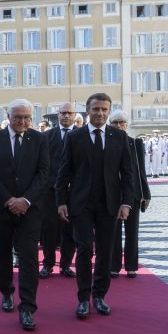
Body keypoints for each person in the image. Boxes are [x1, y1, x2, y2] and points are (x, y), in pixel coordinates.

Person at [56, 93, 135, 318]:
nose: (99, 113)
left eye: (104, 109)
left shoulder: (119, 137)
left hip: (109, 204)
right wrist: (61, 201)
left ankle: (99, 295)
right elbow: (64, 172)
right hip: (80, 204)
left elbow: (128, 174)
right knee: (83, 249)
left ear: (109, 111)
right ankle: (83, 298)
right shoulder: (74, 138)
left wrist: (127, 203)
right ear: (87, 111)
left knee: (105, 251)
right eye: (95, 109)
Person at [0, 99, 48, 330]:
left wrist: (26, 200)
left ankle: (28, 306)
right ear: (8, 116)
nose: (22, 121)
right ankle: (6, 291)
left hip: (30, 210)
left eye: (26, 118)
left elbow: (44, 173)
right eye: (17, 117)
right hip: (2, 208)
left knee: (29, 257)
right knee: (2, 254)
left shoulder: (40, 139)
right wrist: (9, 200)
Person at [108, 111, 150, 278]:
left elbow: (142, 171)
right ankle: (114, 266)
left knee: (132, 231)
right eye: (116, 122)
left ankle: (132, 266)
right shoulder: (106, 143)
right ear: (110, 125)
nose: (119, 125)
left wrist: (146, 193)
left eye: (122, 122)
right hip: (112, 194)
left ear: (126, 124)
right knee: (114, 233)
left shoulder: (135, 143)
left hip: (132, 193)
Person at [39, 102, 77, 279]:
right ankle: (47, 264)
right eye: (63, 113)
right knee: (49, 230)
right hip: (50, 191)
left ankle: (66, 265)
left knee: (70, 230)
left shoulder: (80, 135)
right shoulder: (47, 136)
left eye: (69, 113)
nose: (66, 116)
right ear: (58, 115)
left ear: (74, 115)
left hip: (74, 192)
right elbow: (42, 164)